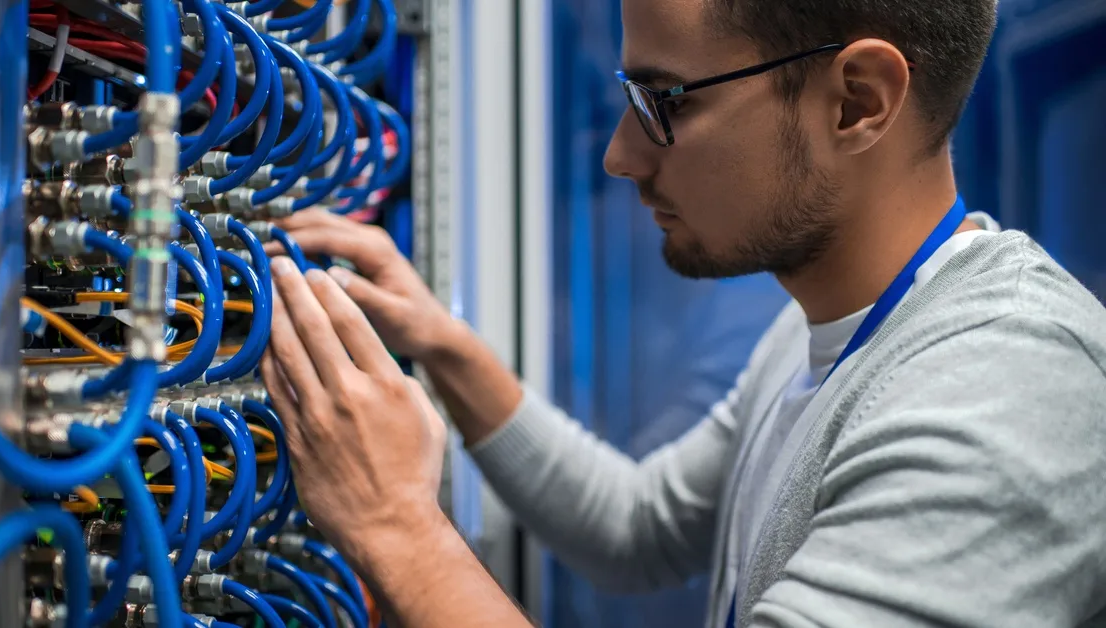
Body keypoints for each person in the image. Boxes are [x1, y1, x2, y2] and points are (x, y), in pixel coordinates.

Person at [260, 0, 1106, 625]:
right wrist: (442, 344)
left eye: (666, 101)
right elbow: (638, 529)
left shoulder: (1007, 396)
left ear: (858, 101)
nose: (619, 156)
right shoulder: (832, 324)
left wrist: (396, 525)